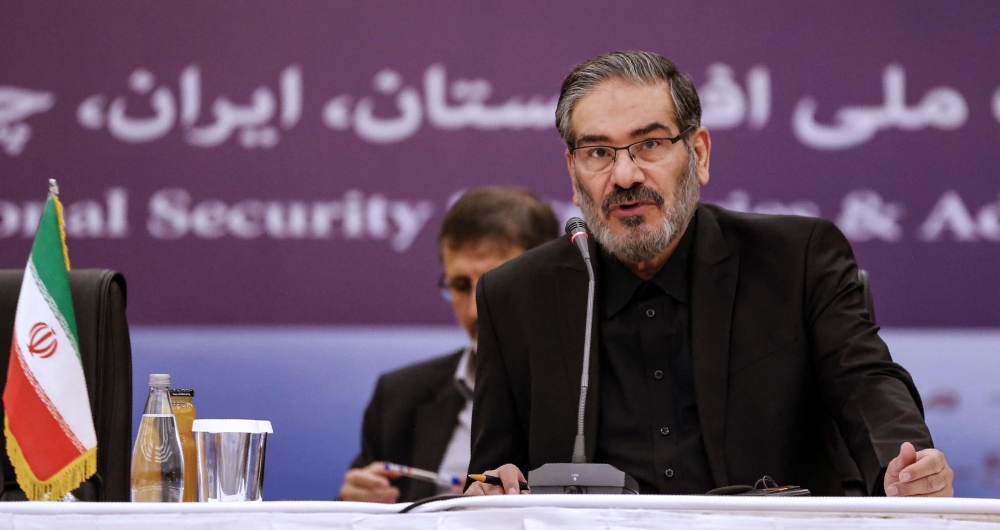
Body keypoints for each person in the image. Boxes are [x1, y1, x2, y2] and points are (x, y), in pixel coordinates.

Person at [466, 51, 954, 497]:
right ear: (573, 175)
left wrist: (904, 466)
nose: (625, 176)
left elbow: (864, 383)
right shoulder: (515, 296)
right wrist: (488, 491)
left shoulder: (797, 260)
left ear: (698, 155)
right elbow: (491, 473)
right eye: (598, 153)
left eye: (650, 144)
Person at [339, 186, 559, 503]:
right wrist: (353, 507)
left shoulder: (592, 390)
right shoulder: (400, 397)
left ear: (545, 277)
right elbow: (354, 508)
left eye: (491, 284)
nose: (473, 310)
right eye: (459, 286)